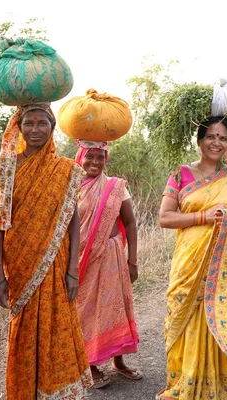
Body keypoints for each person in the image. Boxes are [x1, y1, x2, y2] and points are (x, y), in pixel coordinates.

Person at [0, 104, 92, 399]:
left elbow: (72, 221)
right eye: (28, 123)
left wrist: (73, 269)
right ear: (18, 128)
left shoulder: (66, 170)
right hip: (19, 263)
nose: (35, 130)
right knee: (23, 329)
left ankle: (56, 390)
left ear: (52, 126)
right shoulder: (7, 168)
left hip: (56, 263)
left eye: (41, 123)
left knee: (57, 324)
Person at [157, 116, 227, 400]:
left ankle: (211, 389)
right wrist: (204, 216)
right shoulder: (180, 174)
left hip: (223, 269)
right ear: (199, 141)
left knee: (214, 319)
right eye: (210, 137)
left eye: (222, 138)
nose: (216, 143)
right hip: (188, 264)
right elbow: (165, 218)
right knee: (183, 319)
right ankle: (183, 384)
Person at [74, 140, 141, 388]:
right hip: (81, 260)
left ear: (106, 159)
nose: (94, 162)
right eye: (89, 156)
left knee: (115, 306)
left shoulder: (116, 187)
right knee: (86, 310)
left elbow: (131, 223)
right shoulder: (70, 187)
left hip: (111, 255)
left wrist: (132, 260)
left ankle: (118, 361)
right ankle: (90, 365)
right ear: (80, 156)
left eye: (100, 157)